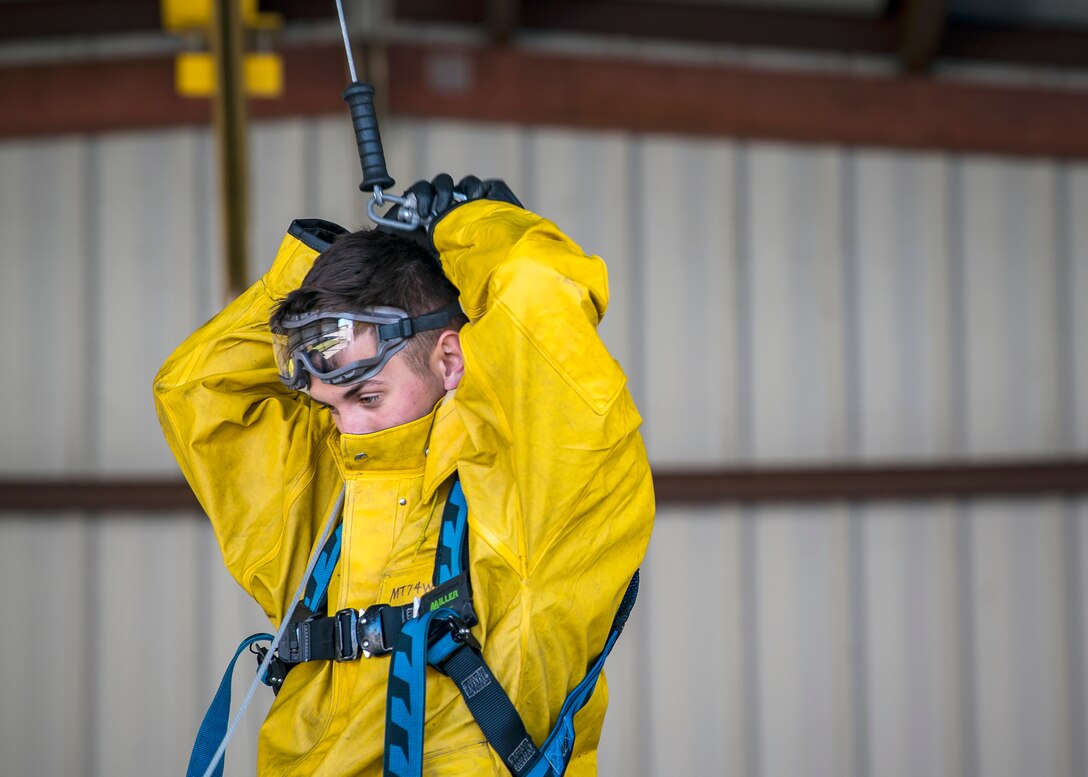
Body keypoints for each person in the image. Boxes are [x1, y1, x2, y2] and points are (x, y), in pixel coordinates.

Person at [154, 174, 655, 775]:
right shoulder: (317, 511)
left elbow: (535, 291)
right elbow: (200, 390)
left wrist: (471, 226)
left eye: (367, 397)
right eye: (328, 406)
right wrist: (322, 272)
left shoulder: (529, 507)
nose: (346, 430)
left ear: (449, 359)